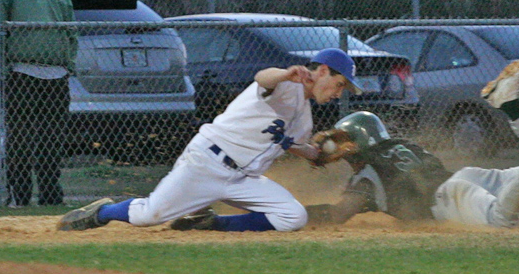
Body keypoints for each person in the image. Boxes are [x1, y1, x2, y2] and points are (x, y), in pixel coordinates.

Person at [57, 48, 363, 232]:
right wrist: (285, 74)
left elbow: (294, 146)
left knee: (293, 216)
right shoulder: (284, 86)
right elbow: (261, 78)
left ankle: (212, 223)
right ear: (322, 71)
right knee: (148, 216)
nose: (338, 93)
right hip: (206, 163)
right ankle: (102, 212)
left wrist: (318, 154)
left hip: (243, 179)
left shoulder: (306, 118)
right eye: (339, 84)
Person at [302, 58, 519, 228]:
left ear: (356, 146)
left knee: (500, 221)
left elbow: (339, 213)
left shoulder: (368, 176)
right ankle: (511, 106)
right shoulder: (400, 145)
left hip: (451, 199)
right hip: (467, 179)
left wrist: (291, 215)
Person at [0, 0, 77, 206]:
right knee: (20, 138)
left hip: (56, 76)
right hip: (22, 74)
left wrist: (70, 62)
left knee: (52, 139)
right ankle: (19, 196)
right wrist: (1, 68)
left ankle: (50, 196)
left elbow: (70, 29)